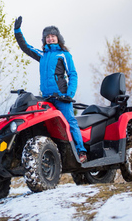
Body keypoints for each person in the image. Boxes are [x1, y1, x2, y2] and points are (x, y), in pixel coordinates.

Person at [13, 16, 87, 163]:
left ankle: (81, 151)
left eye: (53, 36)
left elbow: (73, 75)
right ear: (44, 40)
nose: (50, 39)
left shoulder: (64, 55)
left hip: (61, 98)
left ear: (58, 38)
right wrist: (17, 31)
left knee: (70, 122)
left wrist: (69, 94)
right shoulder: (43, 55)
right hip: (47, 98)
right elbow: (26, 47)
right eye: (47, 37)